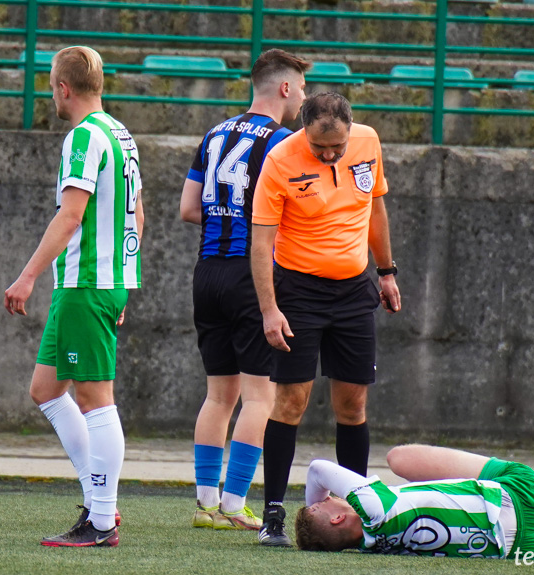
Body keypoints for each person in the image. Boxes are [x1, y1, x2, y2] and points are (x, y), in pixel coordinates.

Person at [4, 45, 143, 548]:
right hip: (96, 283)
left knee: (94, 399)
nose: (52, 94)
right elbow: (137, 214)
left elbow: (70, 216)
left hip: (85, 284)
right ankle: (96, 497)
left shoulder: (83, 137)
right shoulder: (120, 134)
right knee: (45, 390)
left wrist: (26, 277)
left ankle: (102, 520)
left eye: (51, 86)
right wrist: (125, 278)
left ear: (63, 87)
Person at [250, 92, 401, 546]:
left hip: (355, 290)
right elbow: (261, 245)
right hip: (299, 292)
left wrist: (387, 272)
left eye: (337, 146)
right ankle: (273, 514)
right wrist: (269, 309)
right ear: (303, 131)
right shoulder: (279, 160)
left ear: (352, 130)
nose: (330, 154)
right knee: (290, 402)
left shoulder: (369, 142)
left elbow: (375, 208)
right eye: (320, 148)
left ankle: (358, 510)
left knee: (353, 405)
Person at [179, 49, 311, 531]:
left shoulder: (214, 133)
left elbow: (189, 208)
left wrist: (225, 218)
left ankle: (205, 504)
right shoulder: (284, 142)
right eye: (300, 87)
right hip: (248, 274)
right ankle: (235, 505)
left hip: (207, 272)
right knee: (261, 397)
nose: (303, 97)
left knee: (218, 396)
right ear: (283, 88)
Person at [295, 444, 534, 558]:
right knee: (398, 458)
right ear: (338, 518)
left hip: (522, 549)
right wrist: (313, 505)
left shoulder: (369, 547)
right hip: (523, 494)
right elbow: (317, 469)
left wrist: (319, 529)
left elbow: (326, 532)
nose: (333, 496)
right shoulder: (374, 507)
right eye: (326, 503)